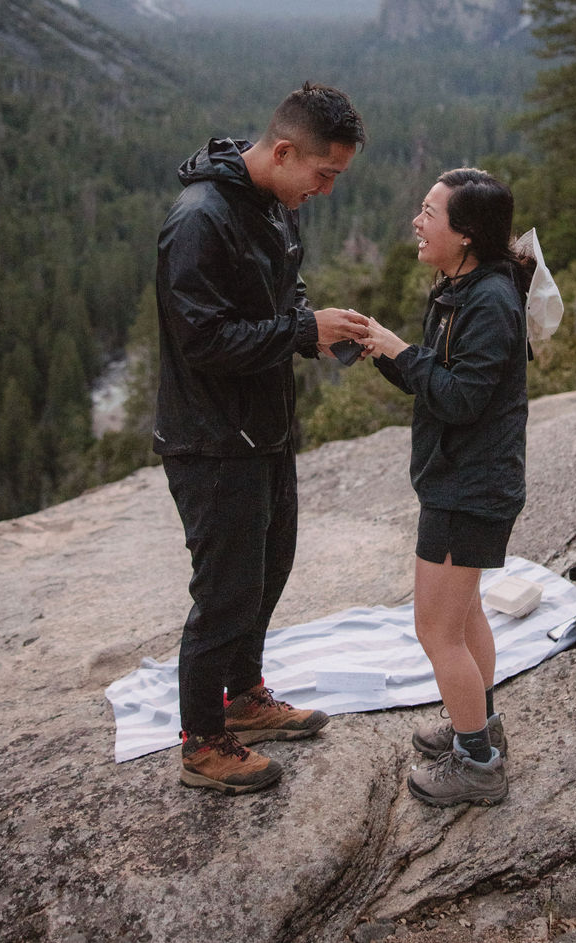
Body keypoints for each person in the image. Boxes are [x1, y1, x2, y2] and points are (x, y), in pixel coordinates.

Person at [155, 82, 369, 794]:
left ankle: (243, 696)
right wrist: (302, 331)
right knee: (224, 591)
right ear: (283, 150)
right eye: (324, 173)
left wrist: (313, 327)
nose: (327, 189)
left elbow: (287, 291)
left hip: (265, 428)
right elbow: (203, 341)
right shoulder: (198, 220)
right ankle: (202, 741)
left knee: (269, 568)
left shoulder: (275, 208)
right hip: (212, 438)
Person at [360, 168, 531, 808]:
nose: (417, 220)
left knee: (436, 631)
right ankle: (478, 729)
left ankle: (478, 765)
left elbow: (460, 400)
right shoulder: (462, 287)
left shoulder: (489, 302)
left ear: (464, 236)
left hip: (469, 487)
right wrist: (383, 349)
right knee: (465, 616)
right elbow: (438, 382)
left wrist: (406, 353)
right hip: (463, 480)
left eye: (430, 212)